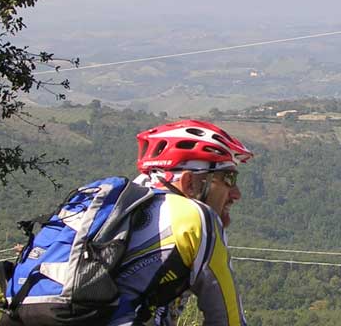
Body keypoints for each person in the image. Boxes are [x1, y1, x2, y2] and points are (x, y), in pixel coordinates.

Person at [108, 120, 252, 325]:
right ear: (189, 183)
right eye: (228, 178)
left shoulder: (112, 207)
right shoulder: (196, 218)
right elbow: (228, 321)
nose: (236, 193)